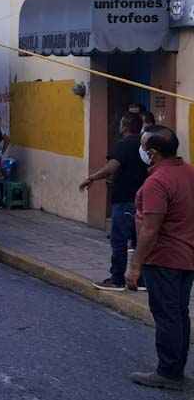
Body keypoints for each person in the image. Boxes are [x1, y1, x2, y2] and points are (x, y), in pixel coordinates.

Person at [126, 126, 194, 391]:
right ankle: (175, 368)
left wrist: (135, 266)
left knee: (167, 315)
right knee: (178, 313)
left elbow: (150, 229)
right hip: (186, 256)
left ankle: (168, 372)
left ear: (153, 153)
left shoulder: (157, 182)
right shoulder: (188, 172)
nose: (142, 151)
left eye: (144, 147)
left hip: (164, 258)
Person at [79, 112, 148, 291]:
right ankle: (141, 280)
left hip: (125, 199)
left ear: (125, 126)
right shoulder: (145, 145)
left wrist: (92, 178)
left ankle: (117, 279)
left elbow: (111, 167)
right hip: (143, 200)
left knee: (119, 241)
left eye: (121, 123)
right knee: (140, 241)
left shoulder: (123, 144)